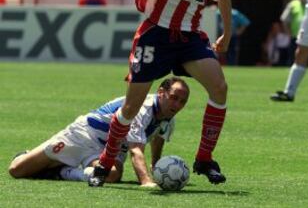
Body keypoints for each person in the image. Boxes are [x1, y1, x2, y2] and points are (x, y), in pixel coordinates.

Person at [89, 0, 233, 187]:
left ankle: (204, 158)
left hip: (189, 37)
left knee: (220, 88)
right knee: (130, 107)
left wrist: (226, 31)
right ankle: (105, 163)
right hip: (155, 35)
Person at [8, 77, 189, 187]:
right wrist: (146, 181)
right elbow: (135, 149)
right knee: (17, 170)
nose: (177, 105)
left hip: (111, 148)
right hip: (84, 135)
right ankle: (30, 156)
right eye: (174, 97)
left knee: (112, 175)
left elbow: (158, 138)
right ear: (160, 93)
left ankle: (63, 172)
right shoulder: (143, 108)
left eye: (182, 101)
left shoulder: (168, 117)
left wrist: (156, 166)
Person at [280, 0, 306, 65]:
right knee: (293, 52)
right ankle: (293, 66)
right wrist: (288, 32)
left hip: (307, 35)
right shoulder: (293, 4)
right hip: (295, 35)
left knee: (305, 53)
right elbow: (284, 19)